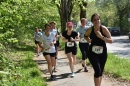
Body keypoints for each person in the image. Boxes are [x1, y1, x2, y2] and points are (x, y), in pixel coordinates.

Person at [84, 13, 113, 86]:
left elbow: (111, 41)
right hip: (92, 53)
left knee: (101, 71)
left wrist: (101, 37)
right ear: (92, 21)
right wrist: (88, 40)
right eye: (95, 20)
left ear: (100, 20)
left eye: (98, 19)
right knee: (97, 70)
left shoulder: (103, 29)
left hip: (102, 53)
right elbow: (85, 36)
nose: (97, 21)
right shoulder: (90, 30)